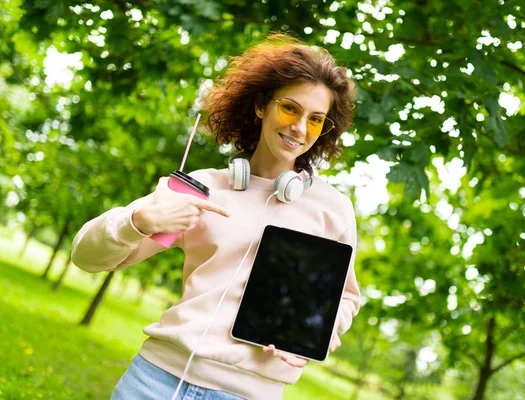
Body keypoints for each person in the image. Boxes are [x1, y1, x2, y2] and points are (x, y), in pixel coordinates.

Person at [71, 33, 360, 400]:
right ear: (261, 106)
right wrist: (140, 221)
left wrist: (316, 331)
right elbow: (87, 257)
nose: (300, 129)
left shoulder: (331, 209)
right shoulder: (202, 189)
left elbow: (346, 297)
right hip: (155, 381)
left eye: (315, 119)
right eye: (290, 108)